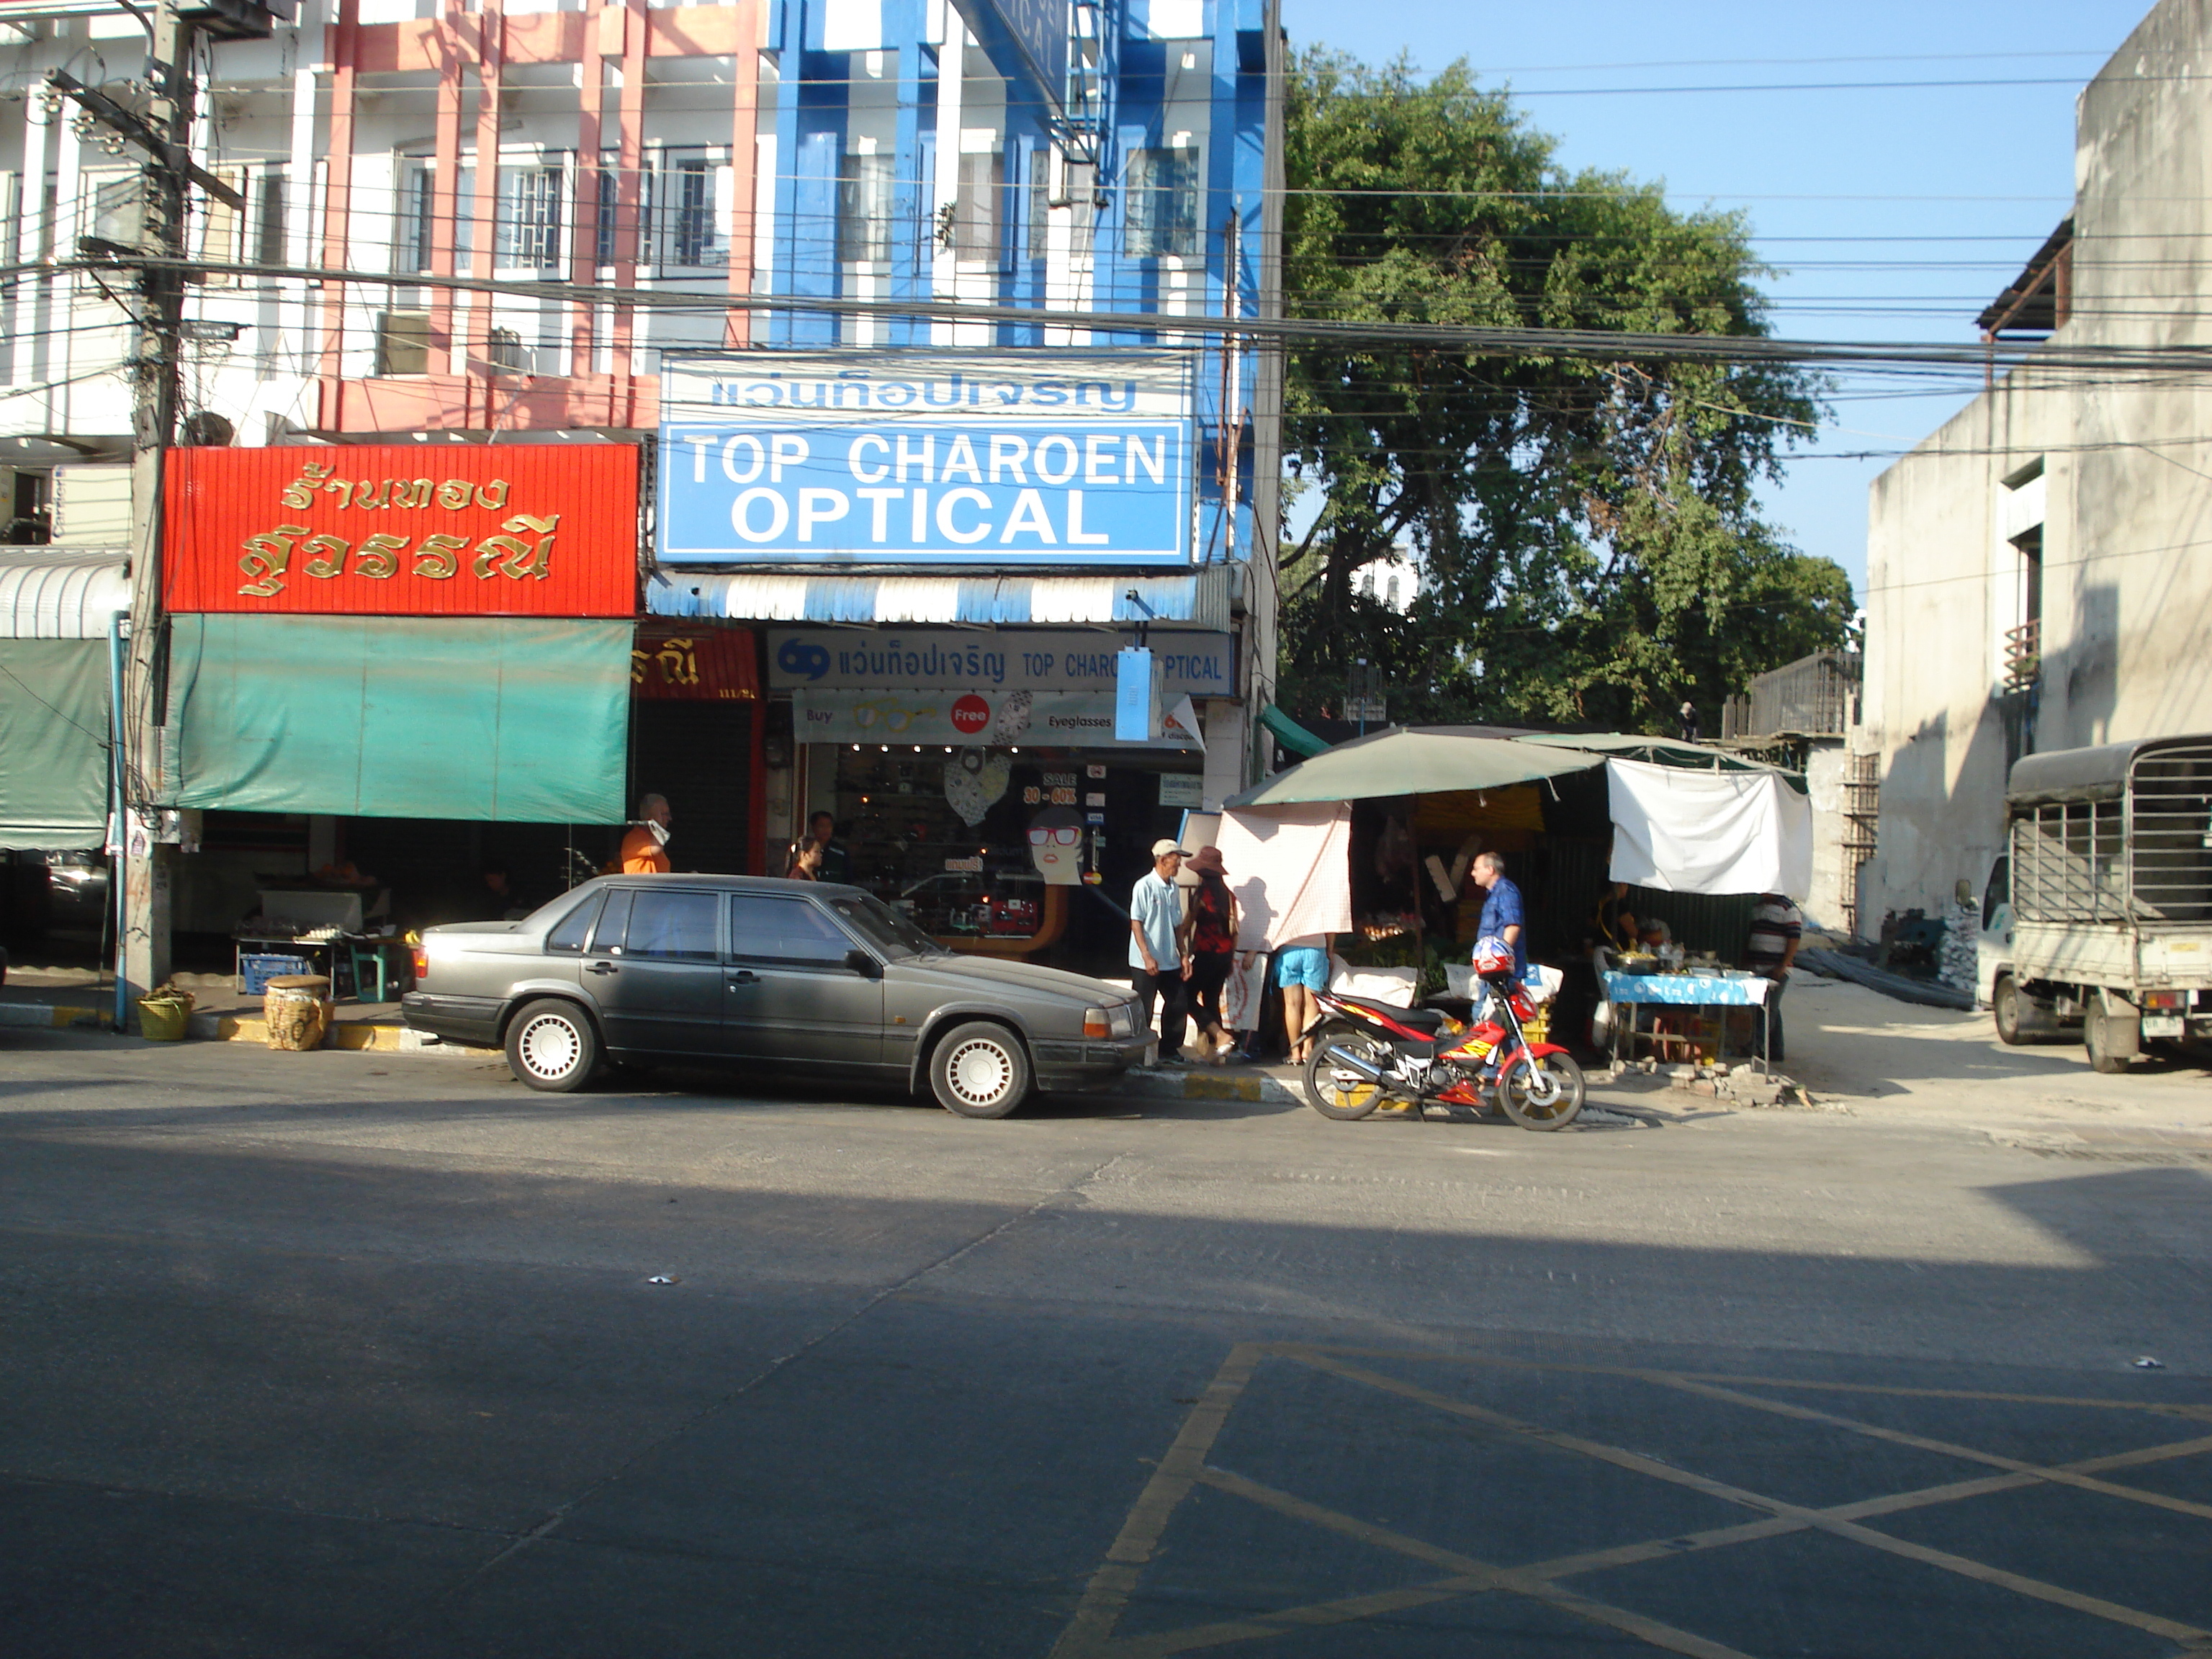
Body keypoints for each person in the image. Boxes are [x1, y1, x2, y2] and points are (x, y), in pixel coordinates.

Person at [1129, 839, 1192, 1064]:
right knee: (1144, 1007)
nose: (1179, 866)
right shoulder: (1144, 886)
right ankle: (1139, 1051)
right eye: (1176, 861)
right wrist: (1147, 955)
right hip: (1145, 960)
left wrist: (1184, 955)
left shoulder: (1173, 888)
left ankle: (1170, 1048)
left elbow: (1177, 925)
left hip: (1169, 958)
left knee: (1178, 1003)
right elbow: (1136, 923)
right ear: (1163, 860)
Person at [1182, 845, 1241, 1064]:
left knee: (1186, 997)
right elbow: (1235, 931)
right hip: (1225, 956)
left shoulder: (1202, 894)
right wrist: (1231, 957)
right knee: (1211, 1000)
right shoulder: (1229, 896)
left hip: (1206, 953)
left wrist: (1182, 950)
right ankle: (1215, 1054)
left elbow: (1187, 925)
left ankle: (1221, 1036)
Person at [1745, 891, 1804, 1064]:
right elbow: (1753, 935)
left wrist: (1783, 965)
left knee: (1768, 1009)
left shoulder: (1789, 909)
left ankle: (1757, 1047)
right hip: (1757, 966)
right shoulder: (1758, 909)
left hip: (1776, 968)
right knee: (1768, 1009)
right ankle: (1776, 1050)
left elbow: (1794, 939)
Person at [1274, 932, 1333, 1065]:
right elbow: (1331, 926)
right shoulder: (1322, 909)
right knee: (1312, 1004)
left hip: (1289, 948)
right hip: (1316, 948)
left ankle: (1295, 1053)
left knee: (1291, 1005)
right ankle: (1308, 1050)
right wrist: (1330, 950)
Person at [1469, 851, 1527, 982]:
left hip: (1502, 974)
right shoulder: (1493, 893)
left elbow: (1513, 927)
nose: (1473, 873)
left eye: (1476, 869)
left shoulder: (1505, 890)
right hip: (1492, 972)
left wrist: (1501, 962)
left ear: (1490, 870)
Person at [620, 793, 673, 873]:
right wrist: (656, 823)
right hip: (641, 885)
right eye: (664, 814)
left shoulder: (651, 837)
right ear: (650, 815)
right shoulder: (634, 838)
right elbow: (656, 848)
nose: (669, 818)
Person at [808, 811, 851, 884]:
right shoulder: (807, 850)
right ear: (813, 827)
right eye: (821, 826)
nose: (826, 829)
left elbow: (848, 878)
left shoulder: (840, 852)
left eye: (829, 825)